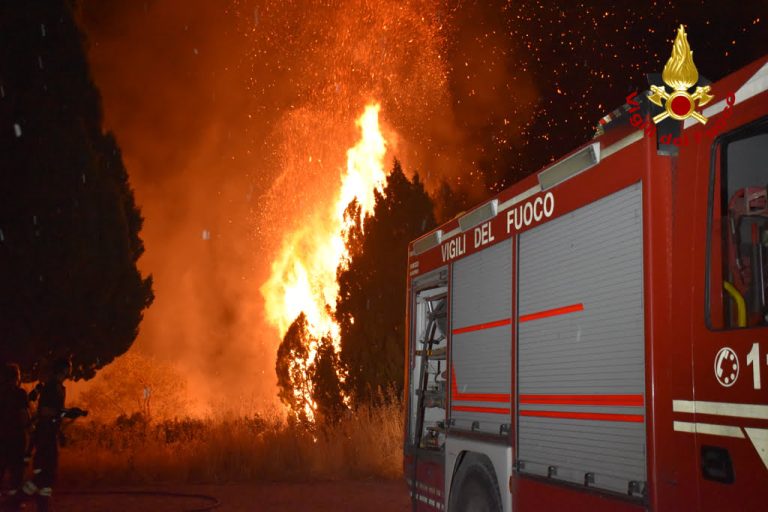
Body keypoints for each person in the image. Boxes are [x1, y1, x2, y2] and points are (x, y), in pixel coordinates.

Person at [22, 358, 71, 512]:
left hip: (49, 434)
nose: (70, 371)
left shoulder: (57, 387)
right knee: (46, 474)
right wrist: (66, 413)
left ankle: (41, 506)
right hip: (45, 436)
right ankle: (19, 497)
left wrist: (61, 431)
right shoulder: (52, 387)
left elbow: (52, 414)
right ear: (64, 370)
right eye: (69, 368)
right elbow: (45, 412)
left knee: (48, 475)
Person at [0, 363, 30, 511]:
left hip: (1, 437)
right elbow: (24, 416)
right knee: (16, 471)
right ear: (17, 377)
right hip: (16, 437)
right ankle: (15, 502)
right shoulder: (20, 393)